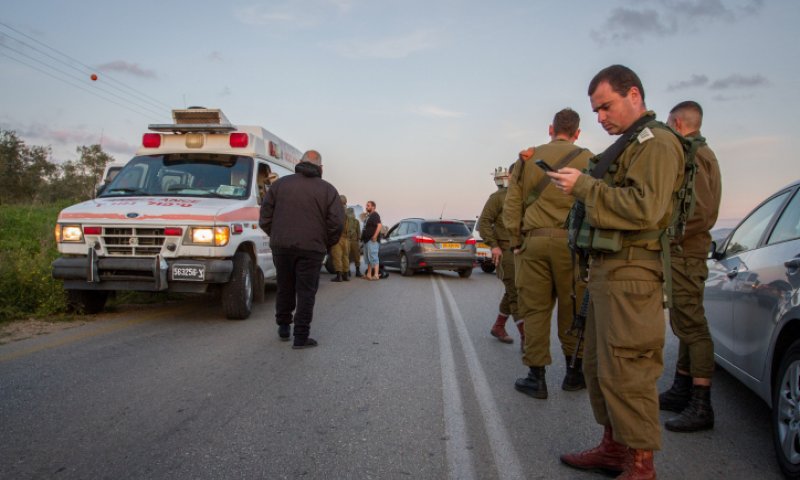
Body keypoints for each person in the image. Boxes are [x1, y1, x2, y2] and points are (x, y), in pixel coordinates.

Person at [550, 65, 685, 479]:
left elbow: (647, 207)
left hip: (634, 273)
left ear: (634, 96)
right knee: (599, 367)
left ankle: (640, 465)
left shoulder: (657, 143)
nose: (601, 117)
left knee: (629, 369)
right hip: (610, 271)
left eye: (606, 106)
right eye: (595, 111)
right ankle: (614, 448)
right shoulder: (629, 145)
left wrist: (585, 188)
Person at [504, 108, 594, 398]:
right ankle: (573, 372)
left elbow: (513, 203)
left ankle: (536, 377)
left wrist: (516, 239)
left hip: (535, 242)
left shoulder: (528, 158)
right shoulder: (590, 159)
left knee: (536, 309)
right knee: (573, 307)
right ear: (577, 133)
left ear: (550, 128)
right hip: (573, 247)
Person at [659, 101, 722, 432]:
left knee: (693, 326)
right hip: (687, 251)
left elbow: (697, 212)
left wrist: (669, 241)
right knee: (685, 322)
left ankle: (701, 404)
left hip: (685, 252)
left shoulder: (694, 155)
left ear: (677, 122)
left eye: (669, 124)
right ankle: (682, 389)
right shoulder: (701, 152)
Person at [259, 150, 344, 349]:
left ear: (299, 163)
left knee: (284, 286)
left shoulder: (280, 185)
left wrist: (277, 235)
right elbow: (337, 223)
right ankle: (300, 337)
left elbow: (265, 216)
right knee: (306, 292)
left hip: (282, 247)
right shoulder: (328, 190)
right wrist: (325, 242)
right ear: (321, 168)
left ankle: (283, 326)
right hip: (312, 248)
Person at [478, 165, 520, 346]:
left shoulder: (533, 196)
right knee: (517, 292)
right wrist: (494, 246)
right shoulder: (499, 197)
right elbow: (484, 224)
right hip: (506, 250)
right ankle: (529, 339)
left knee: (515, 291)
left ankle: (498, 326)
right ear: (509, 176)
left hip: (528, 252)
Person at [330, 195, 351, 282]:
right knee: (345, 256)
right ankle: (345, 275)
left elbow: (335, 224)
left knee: (337, 256)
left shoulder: (338, 211)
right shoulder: (348, 211)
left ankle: (339, 276)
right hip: (346, 238)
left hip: (338, 237)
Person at [361, 200, 382, 281]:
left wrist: (375, 236)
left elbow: (379, 225)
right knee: (368, 258)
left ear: (373, 207)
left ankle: (376, 275)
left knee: (374, 257)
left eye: (368, 205)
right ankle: (369, 274)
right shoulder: (369, 216)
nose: (366, 207)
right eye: (366, 205)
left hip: (372, 240)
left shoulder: (375, 215)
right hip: (366, 240)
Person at [346, 207, 363, 277]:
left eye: (351, 211)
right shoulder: (345, 221)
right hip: (347, 240)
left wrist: (358, 241)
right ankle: (347, 270)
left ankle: (357, 271)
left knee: (356, 256)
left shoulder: (356, 221)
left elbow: (359, 232)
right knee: (347, 256)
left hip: (354, 241)